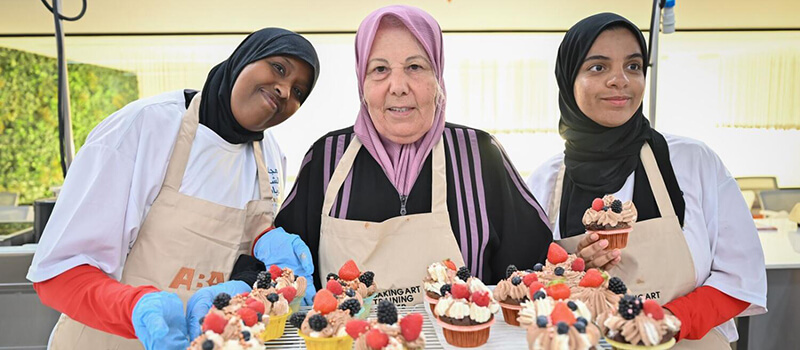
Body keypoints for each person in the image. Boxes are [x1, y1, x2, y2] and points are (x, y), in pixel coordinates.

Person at [26, 28, 320, 350]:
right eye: (279, 68)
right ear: (244, 58)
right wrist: (134, 308)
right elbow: (57, 275)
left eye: (299, 92)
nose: (284, 90)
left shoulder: (271, 156)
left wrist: (261, 254)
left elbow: (233, 250)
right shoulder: (144, 127)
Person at [270, 5, 552, 307]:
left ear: (438, 77)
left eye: (415, 67)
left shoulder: (480, 154)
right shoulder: (325, 159)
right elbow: (286, 278)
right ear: (361, 84)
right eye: (379, 70)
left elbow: (533, 274)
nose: (399, 87)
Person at [525, 13, 767, 348]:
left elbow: (739, 280)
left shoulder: (694, 162)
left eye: (633, 66)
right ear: (568, 79)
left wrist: (660, 322)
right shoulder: (547, 180)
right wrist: (577, 272)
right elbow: (533, 291)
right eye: (598, 67)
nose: (620, 80)